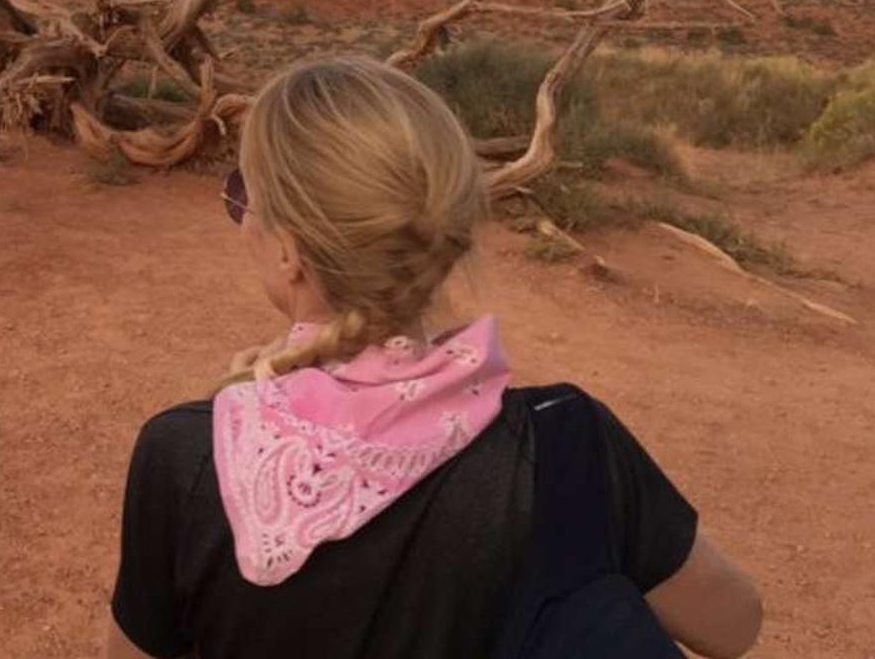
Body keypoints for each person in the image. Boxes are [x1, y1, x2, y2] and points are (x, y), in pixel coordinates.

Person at [107, 57, 762, 659]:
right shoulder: (573, 443)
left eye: (244, 194)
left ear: (288, 249)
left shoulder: (188, 458)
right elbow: (734, 625)